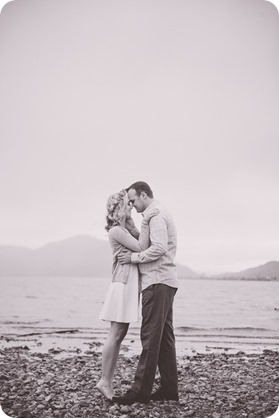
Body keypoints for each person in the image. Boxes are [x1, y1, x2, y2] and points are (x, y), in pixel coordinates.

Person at [112, 181, 179, 405]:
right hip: (164, 282)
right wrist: (132, 227)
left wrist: (132, 259)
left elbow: (158, 248)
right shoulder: (153, 215)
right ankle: (169, 389)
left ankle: (140, 391)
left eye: (133, 200)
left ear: (143, 194)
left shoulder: (156, 215)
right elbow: (146, 243)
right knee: (164, 339)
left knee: (150, 337)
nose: (131, 204)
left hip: (157, 282)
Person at [96, 189, 158, 400]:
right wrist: (136, 227)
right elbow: (143, 247)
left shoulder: (124, 230)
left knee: (119, 335)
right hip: (122, 285)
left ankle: (107, 380)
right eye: (127, 203)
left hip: (127, 285)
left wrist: (132, 227)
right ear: (119, 208)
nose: (131, 206)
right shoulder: (116, 231)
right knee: (115, 335)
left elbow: (142, 248)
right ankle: (105, 381)